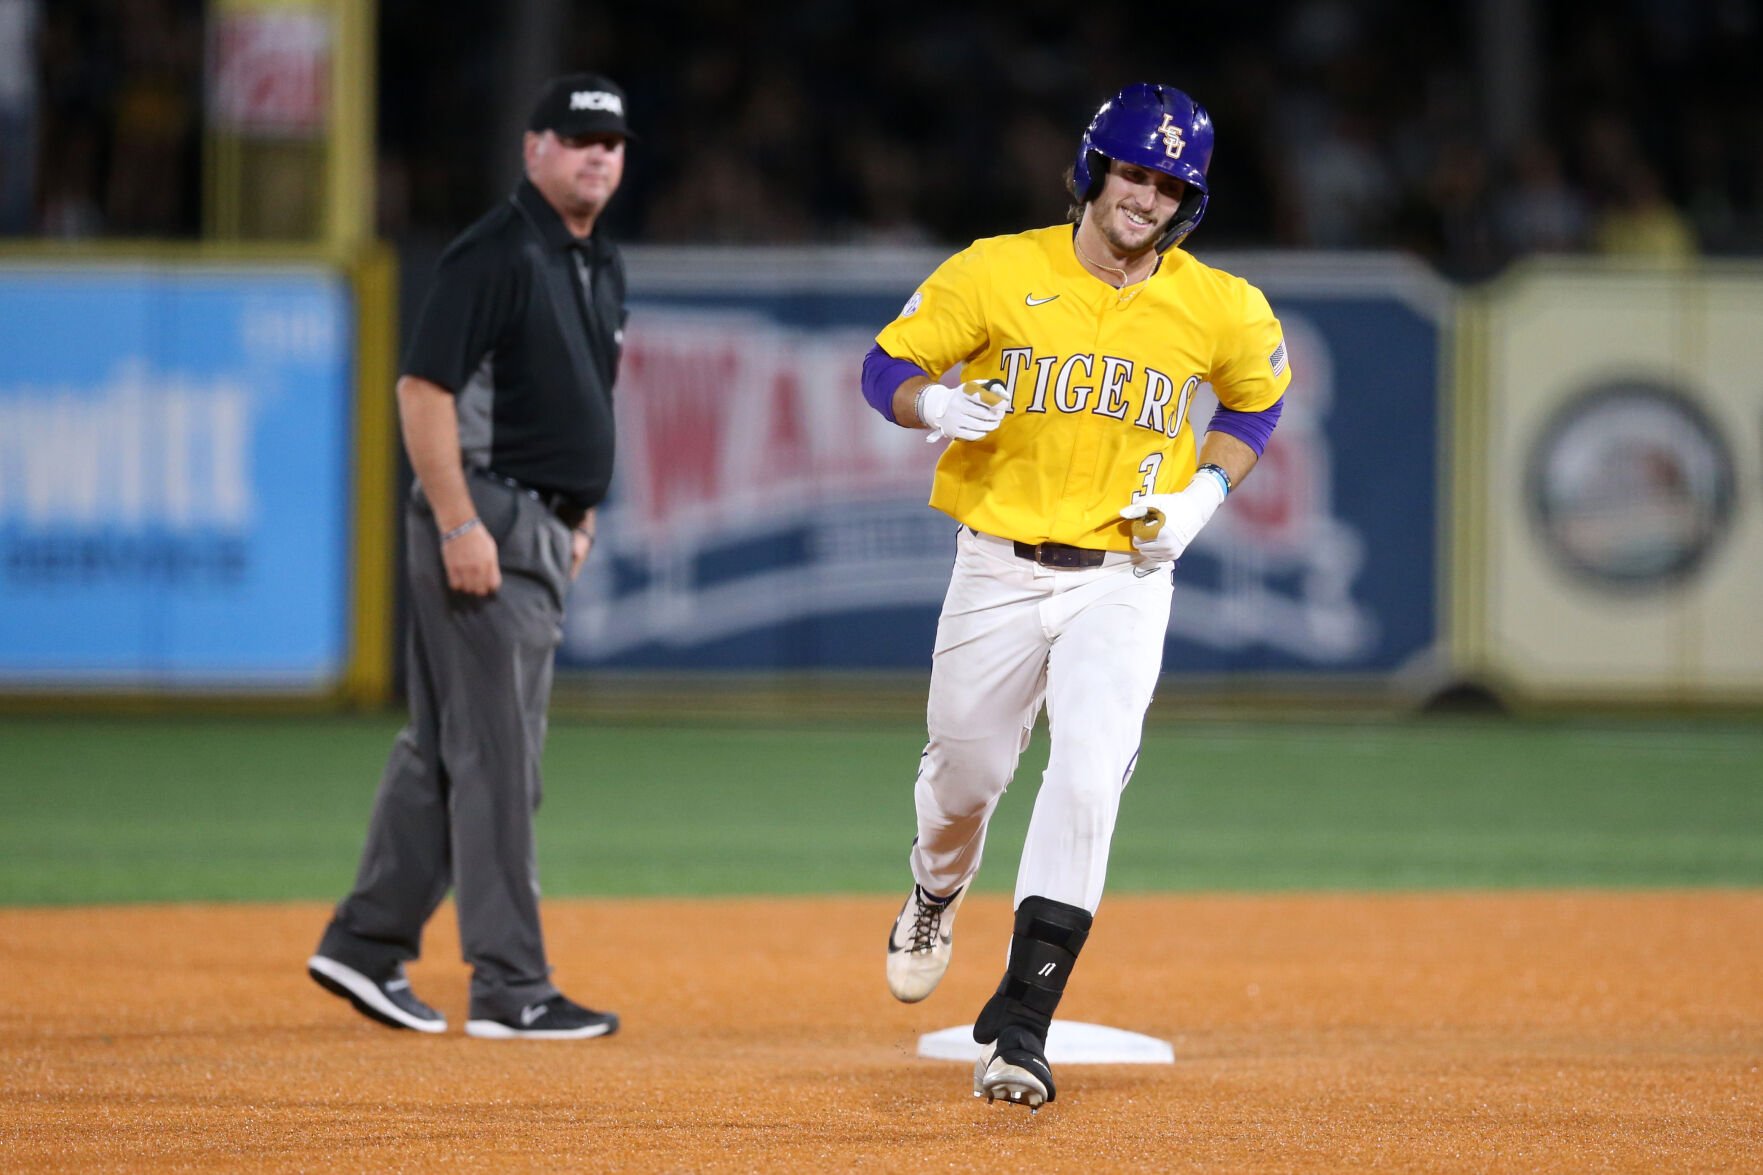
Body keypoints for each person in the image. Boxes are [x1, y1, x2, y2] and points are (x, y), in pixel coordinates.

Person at [862, 83, 1291, 1108]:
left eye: (1167, 183)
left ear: (1187, 200)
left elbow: (1257, 401)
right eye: (1132, 171)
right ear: (1094, 169)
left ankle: (1020, 1025)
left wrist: (1201, 489)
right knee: (963, 775)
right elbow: (883, 368)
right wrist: (935, 403)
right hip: (997, 563)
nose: (1145, 195)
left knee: (1088, 777)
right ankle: (933, 889)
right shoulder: (998, 268)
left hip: (1123, 576)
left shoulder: (1217, 301)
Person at [307, 73, 634, 1040]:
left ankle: (365, 943)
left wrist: (580, 514)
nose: (596, 156)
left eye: (611, 143)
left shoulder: (597, 262)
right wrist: (458, 523)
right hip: (486, 518)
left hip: (539, 523)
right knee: (497, 760)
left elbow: (580, 403)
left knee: (446, 754)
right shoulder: (493, 252)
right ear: (532, 148)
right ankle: (510, 984)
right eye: (576, 139)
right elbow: (422, 390)